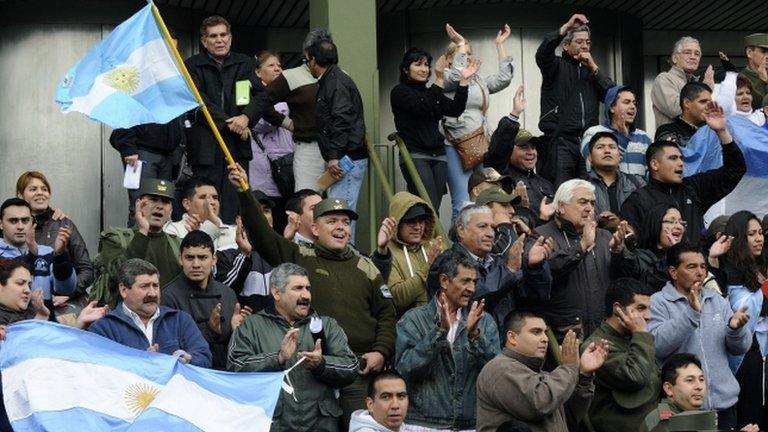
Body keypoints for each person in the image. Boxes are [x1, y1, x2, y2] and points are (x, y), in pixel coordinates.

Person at [228, 163, 396, 424]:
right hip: (307, 368)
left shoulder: (367, 267)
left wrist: (381, 351)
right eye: (332, 221)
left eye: (345, 222)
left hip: (355, 371)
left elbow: (387, 314)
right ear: (315, 229)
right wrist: (244, 193)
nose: (341, 227)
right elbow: (262, 236)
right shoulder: (298, 256)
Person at [227, 262, 358, 431]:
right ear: (276, 293)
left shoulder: (327, 325)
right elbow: (235, 368)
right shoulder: (251, 326)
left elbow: (351, 367)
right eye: (298, 288)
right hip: (275, 424)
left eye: (308, 289)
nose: (306, 296)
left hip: (320, 425)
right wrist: (277, 359)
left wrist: (322, 364)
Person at [647, 242, 751, 429]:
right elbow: (657, 346)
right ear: (673, 272)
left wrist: (736, 329)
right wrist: (691, 314)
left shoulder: (716, 299)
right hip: (683, 411)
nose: (700, 272)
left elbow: (741, 348)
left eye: (703, 266)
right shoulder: (658, 302)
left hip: (725, 405)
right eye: (691, 266)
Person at [396, 251, 499, 431]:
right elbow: (406, 369)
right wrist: (439, 332)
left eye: (474, 282)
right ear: (444, 281)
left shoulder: (485, 321)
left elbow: (495, 374)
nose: (472, 289)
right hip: (423, 424)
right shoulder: (413, 320)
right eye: (465, 281)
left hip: (470, 424)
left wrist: (475, 336)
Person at [185, 15, 268, 224]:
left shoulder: (246, 63)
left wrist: (246, 117)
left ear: (230, 38)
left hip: (237, 146)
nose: (219, 40)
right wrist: (229, 122)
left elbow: (261, 97)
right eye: (213, 36)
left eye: (223, 35)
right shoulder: (192, 65)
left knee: (235, 201)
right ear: (204, 41)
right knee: (205, 201)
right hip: (206, 146)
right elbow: (198, 101)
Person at [527, 179, 631, 340]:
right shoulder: (541, 235)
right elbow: (543, 273)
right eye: (582, 202)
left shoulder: (604, 236)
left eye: (592, 203)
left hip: (605, 330)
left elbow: (625, 279)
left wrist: (619, 252)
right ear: (561, 206)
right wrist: (581, 247)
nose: (589, 208)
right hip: (565, 331)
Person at [475, 311, 609, 432]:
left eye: (545, 332)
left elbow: (569, 417)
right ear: (512, 337)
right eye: (536, 332)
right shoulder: (499, 369)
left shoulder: (541, 375)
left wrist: (584, 375)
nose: (545, 338)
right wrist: (569, 368)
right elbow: (540, 403)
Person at [428, 204, 553, 331]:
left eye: (493, 228)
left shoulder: (500, 263)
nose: (490, 234)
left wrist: (534, 268)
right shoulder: (445, 261)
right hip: (465, 343)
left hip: (503, 342)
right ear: (461, 230)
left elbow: (535, 301)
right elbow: (471, 297)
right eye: (482, 227)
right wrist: (509, 271)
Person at [621, 119, 746, 245]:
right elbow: (633, 245)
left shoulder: (694, 188)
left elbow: (735, 169)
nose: (681, 163)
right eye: (673, 158)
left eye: (681, 158)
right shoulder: (638, 201)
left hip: (697, 262)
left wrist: (721, 131)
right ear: (654, 164)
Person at [441, 23, 515, 220]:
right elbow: (457, 75)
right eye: (461, 53)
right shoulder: (447, 78)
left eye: (468, 53)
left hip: (480, 142)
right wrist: (460, 43)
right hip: (456, 143)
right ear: (450, 58)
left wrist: (500, 45)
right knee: (462, 200)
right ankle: (459, 244)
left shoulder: (478, 80)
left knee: (483, 196)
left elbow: (503, 79)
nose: (467, 56)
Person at [389, 47, 474, 212]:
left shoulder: (431, 92)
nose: (424, 69)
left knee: (432, 207)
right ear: (406, 69)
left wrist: (463, 82)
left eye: (427, 65)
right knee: (429, 204)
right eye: (418, 65)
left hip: (439, 155)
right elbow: (423, 106)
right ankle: (429, 237)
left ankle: (427, 237)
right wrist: (440, 78)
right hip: (415, 154)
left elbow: (455, 109)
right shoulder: (399, 92)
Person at [535, 14, 613, 188]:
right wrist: (566, 27)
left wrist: (593, 67)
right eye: (579, 42)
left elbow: (613, 95)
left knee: (588, 192)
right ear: (566, 45)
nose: (585, 46)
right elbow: (542, 53)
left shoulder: (591, 72)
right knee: (562, 193)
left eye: (588, 42)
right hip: (561, 141)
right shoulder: (555, 66)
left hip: (588, 142)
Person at [89, 258, 212, 368]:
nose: (153, 293)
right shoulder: (104, 328)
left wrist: (189, 360)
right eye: (145, 286)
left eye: (155, 286)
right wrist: (141, 363)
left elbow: (205, 358)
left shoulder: (179, 320)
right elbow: (99, 370)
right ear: (124, 290)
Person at [304, 28, 367, 242]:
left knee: (340, 216)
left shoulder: (335, 82)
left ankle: (347, 264)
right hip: (346, 156)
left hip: (345, 158)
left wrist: (334, 155)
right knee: (339, 214)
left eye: (308, 60)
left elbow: (341, 120)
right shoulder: (334, 78)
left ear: (313, 60)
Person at [161, 230, 249, 370]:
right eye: (190, 257)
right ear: (180, 259)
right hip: (189, 374)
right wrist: (209, 330)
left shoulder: (227, 293)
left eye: (202, 258)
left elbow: (237, 349)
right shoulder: (168, 296)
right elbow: (170, 346)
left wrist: (238, 331)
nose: (196, 264)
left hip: (225, 373)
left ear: (214, 259)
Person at [582, 278, 659, 432]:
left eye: (649, 309)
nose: (648, 316)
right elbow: (635, 377)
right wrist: (640, 333)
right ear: (618, 309)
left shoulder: (633, 338)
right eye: (641, 308)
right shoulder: (596, 346)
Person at [15, 171, 93, 313]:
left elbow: (86, 269)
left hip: (66, 303)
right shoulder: (13, 227)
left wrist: (68, 293)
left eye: (44, 189)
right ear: (20, 195)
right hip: (25, 306)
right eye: (33, 189)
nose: (40, 193)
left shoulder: (63, 224)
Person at [96, 179, 182, 306]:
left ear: (170, 211)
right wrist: (142, 231)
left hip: (169, 318)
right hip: (127, 318)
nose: (159, 206)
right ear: (138, 204)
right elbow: (118, 274)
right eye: (153, 200)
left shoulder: (178, 244)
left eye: (165, 202)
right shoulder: (115, 238)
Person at [720, 211, 768, 429]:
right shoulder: (727, 271)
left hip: (758, 352)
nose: (759, 238)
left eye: (760, 232)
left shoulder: (759, 267)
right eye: (751, 234)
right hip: (741, 356)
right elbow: (744, 308)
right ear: (740, 238)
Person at [485, 90, 556, 226]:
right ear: (509, 151)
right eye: (524, 147)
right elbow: (498, 149)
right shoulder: (501, 177)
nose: (531, 152)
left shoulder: (546, 184)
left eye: (533, 147)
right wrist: (514, 115)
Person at [641, 353, 759, 432]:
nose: (699, 386)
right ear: (669, 389)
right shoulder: (662, 421)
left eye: (701, 379)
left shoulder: (695, 415)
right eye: (690, 380)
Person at [0, 198, 76, 319]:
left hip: (45, 326)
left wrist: (60, 255)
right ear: (1, 224)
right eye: (13, 221)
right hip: (9, 329)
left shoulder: (47, 252)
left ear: (32, 222)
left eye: (25, 220)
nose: (20, 226)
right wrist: (32, 255)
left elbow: (66, 289)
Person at [249, 51, 294, 233]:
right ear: (258, 72)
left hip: (284, 175)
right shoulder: (249, 97)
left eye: (279, 66)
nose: (277, 69)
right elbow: (263, 122)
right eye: (271, 65)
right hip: (261, 175)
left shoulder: (288, 96)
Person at [215, 190, 276, 313]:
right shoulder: (224, 253)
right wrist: (245, 255)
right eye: (256, 210)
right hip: (241, 326)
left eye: (266, 211)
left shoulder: (282, 252)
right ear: (239, 220)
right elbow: (224, 292)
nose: (262, 216)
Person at [386, 191, 442, 317]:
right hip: (409, 328)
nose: (418, 227)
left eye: (421, 221)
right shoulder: (386, 254)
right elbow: (398, 298)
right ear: (397, 223)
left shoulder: (434, 247)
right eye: (411, 221)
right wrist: (429, 266)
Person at [580, 85, 652, 177]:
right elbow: (591, 165)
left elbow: (650, 175)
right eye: (627, 102)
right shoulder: (592, 133)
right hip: (606, 190)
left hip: (639, 190)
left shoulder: (645, 137)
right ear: (612, 108)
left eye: (634, 103)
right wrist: (622, 138)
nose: (633, 107)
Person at [582, 132, 645, 224]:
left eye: (612, 147)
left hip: (633, 236)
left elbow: (648, 214)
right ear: (590, 157)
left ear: (619, 156)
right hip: (596, 236)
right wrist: (600, 222)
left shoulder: (636, 183)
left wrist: (620, 223)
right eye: (600, 147)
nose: (607, 151)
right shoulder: (581, 186)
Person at [651, 36, 714, 127]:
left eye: (697, 54)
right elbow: (677, 110)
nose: (693, 57)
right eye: (687, 52)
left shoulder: (696, 83)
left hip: (697, 140)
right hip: (673, 139)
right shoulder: (664, 79)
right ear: (675, 58)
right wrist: (704, 91)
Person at [164, 178, 236, 250]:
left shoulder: (234, 232)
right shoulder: (172, 231)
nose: (211, 202)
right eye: (203, 197)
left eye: (215, 198)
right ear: (187, 204)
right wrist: (210, 229)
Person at [655, 82, 720, 147]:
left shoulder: (715, 129)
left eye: (710, 102)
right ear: (687, 103)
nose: (709, 106)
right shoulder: (667, 131)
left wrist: (721, 131)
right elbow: (673, 155)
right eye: (703, 102)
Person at [739, 34, 768, 111]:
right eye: (763, 52)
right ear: (749, 53)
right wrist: (763, 81)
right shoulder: (740, 79)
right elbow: (759, 105)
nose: (767, 56)